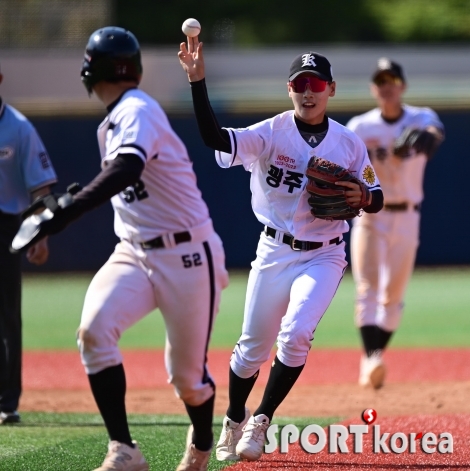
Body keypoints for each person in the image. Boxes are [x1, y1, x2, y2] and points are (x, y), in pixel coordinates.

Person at [13, 27, 228, 471]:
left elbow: (127, 168)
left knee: (187, 380)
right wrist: (57, 216)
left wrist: (64, 212)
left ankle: (203, 442)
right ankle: (124, 449)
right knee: (94, 331)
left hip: (187, 255)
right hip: (133, 252)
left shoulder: (137, 110)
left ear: (92, 70)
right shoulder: (115, 119)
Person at [178, 38, 384, 462]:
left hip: (325, 253)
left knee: (296, 335)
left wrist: (363, 197)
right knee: (252, 348)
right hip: (274, 251)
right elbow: (214, 137)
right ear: (289, 89)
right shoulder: (270, 132)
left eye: (316, 83)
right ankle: (235, 416)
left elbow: (376, 194)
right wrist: (198, 82)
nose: (308, 91)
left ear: (331, 89)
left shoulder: (348, 143)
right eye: (300, 83)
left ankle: (262, 418)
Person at [346, 58, 444, 389]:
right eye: (380, 80)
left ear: (403, 86)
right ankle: (372, 358)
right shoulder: (361, 126)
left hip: (408, 215)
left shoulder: (421, 117)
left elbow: (434, 131)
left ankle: (373, 357)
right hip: (372, 215)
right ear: (374, 88)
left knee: (394, 295)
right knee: (367, 290)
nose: (387, 85)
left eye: (393, 79)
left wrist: (425, 137)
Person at [0, 65, 57, 425]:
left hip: (6, 226)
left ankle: (7, 402)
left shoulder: (19, 128)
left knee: (6, 313)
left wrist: (40, 233)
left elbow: (41, 188)